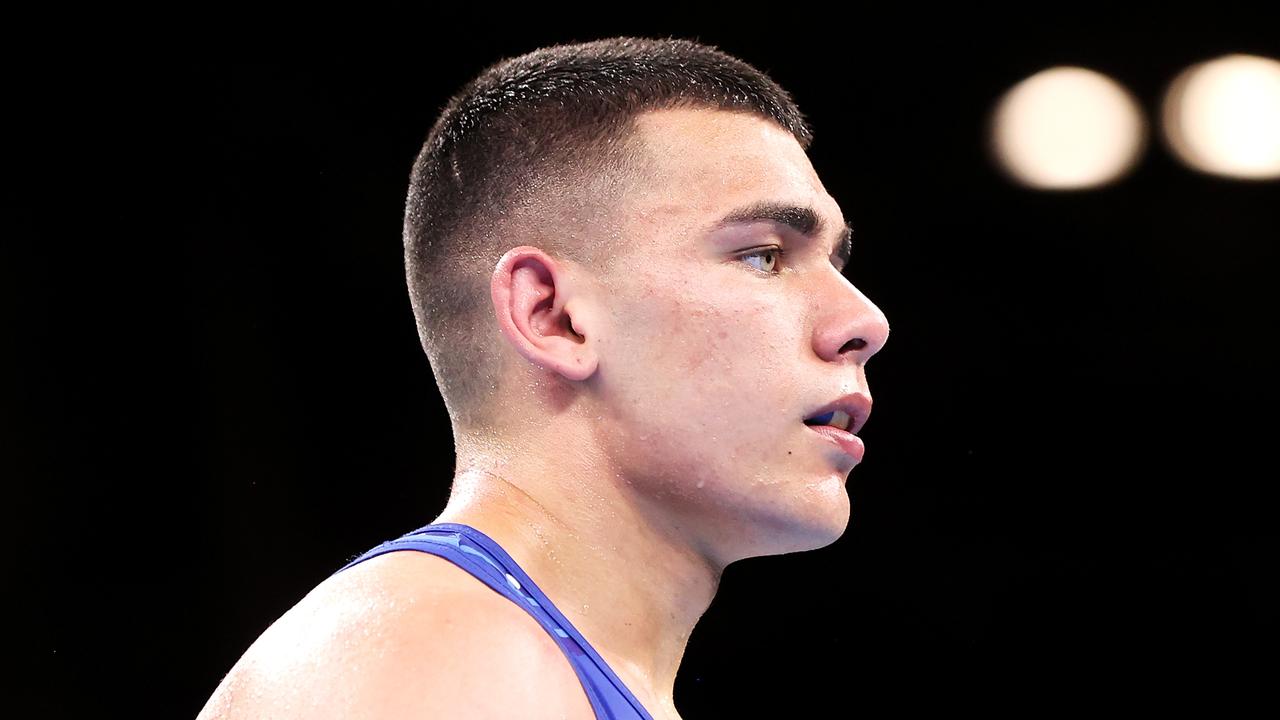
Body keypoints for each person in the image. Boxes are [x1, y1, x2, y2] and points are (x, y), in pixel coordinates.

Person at [197, 36, 889, 720]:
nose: (865, 321)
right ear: (552, 316)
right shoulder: (447, 654)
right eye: (764, 256)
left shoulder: (511, 663)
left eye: (839, 264)